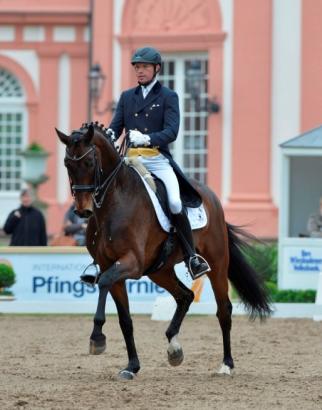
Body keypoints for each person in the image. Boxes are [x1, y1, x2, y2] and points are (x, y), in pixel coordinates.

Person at [107, 46, 210, 279]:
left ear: (156, 69)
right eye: (137, 67)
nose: (140, 71)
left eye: (144, 67)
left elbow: (172, 131)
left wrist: (148, 138)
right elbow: (115, 127)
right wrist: (108, 137)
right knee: (106, 195)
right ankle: (98, 257)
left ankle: (191, 257)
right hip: (131, 160)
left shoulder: (168, 96)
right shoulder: (126, 97)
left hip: (157, 160)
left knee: (174, 202)